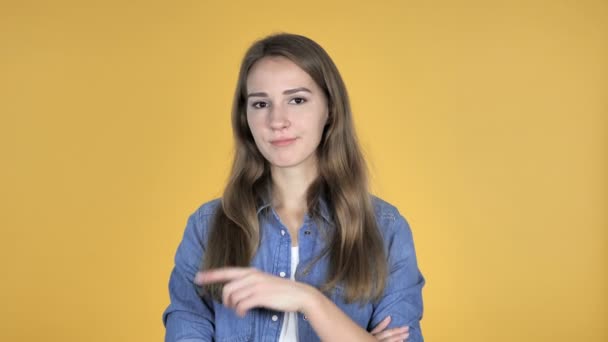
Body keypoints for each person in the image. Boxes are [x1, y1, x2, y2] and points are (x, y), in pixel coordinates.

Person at [162, 32, 425, 342]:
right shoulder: (206, 227)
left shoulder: (385, 229)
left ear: (330, 110)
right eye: (261, 103)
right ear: (245, 118)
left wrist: (307, 300)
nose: (277, 120)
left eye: (297, 100)